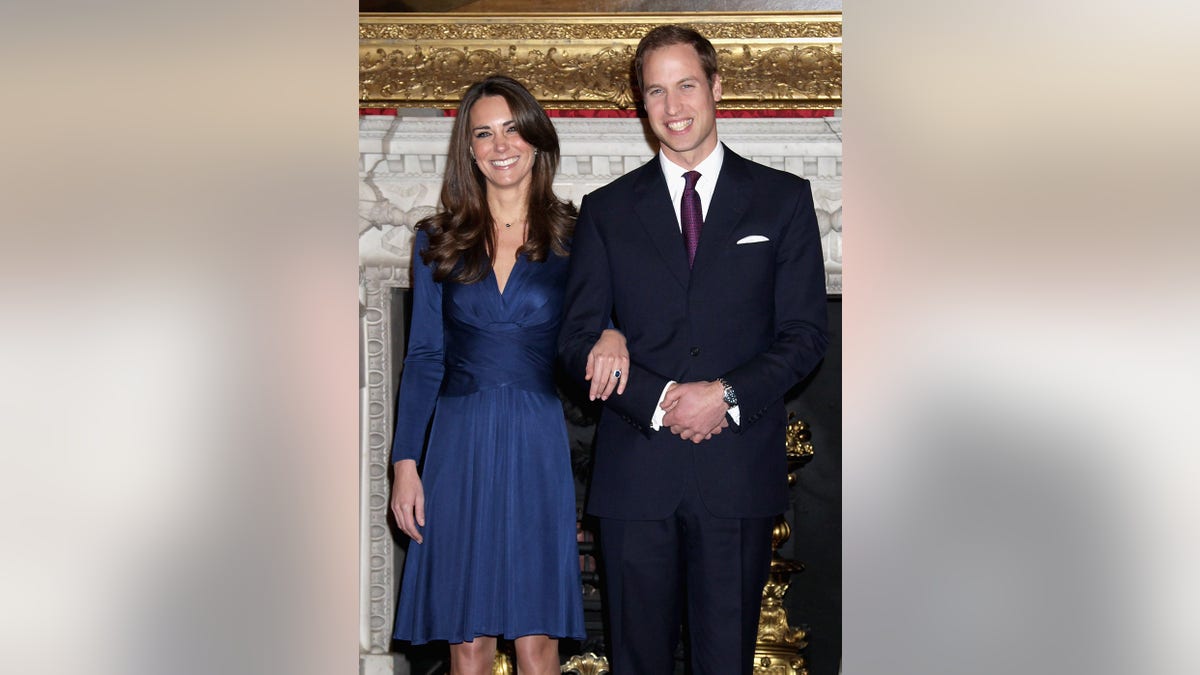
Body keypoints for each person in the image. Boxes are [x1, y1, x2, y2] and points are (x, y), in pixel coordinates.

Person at [557, 26, 829, 675]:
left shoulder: (783, 200)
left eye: (686, 85)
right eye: (656, 90)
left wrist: (725, 395)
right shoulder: (606, 210)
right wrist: (654, 396)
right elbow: (572, 344)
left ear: (716, 89)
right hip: (634, 478)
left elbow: (806, 335)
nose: (673, 106)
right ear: (640, 103)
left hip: (735, 474)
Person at [389, 75, 629, 675]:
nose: (501, 145)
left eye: (512, 129)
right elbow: (423, 359)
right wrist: (404, 465)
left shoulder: (578, 237)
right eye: (484, 133)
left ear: (536, 139)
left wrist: (614, 331)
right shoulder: (435, 241)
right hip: (457, 442)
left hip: (534, 436)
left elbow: (609, 319)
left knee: (536, 639)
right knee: (465, 640)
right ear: (469, 149)